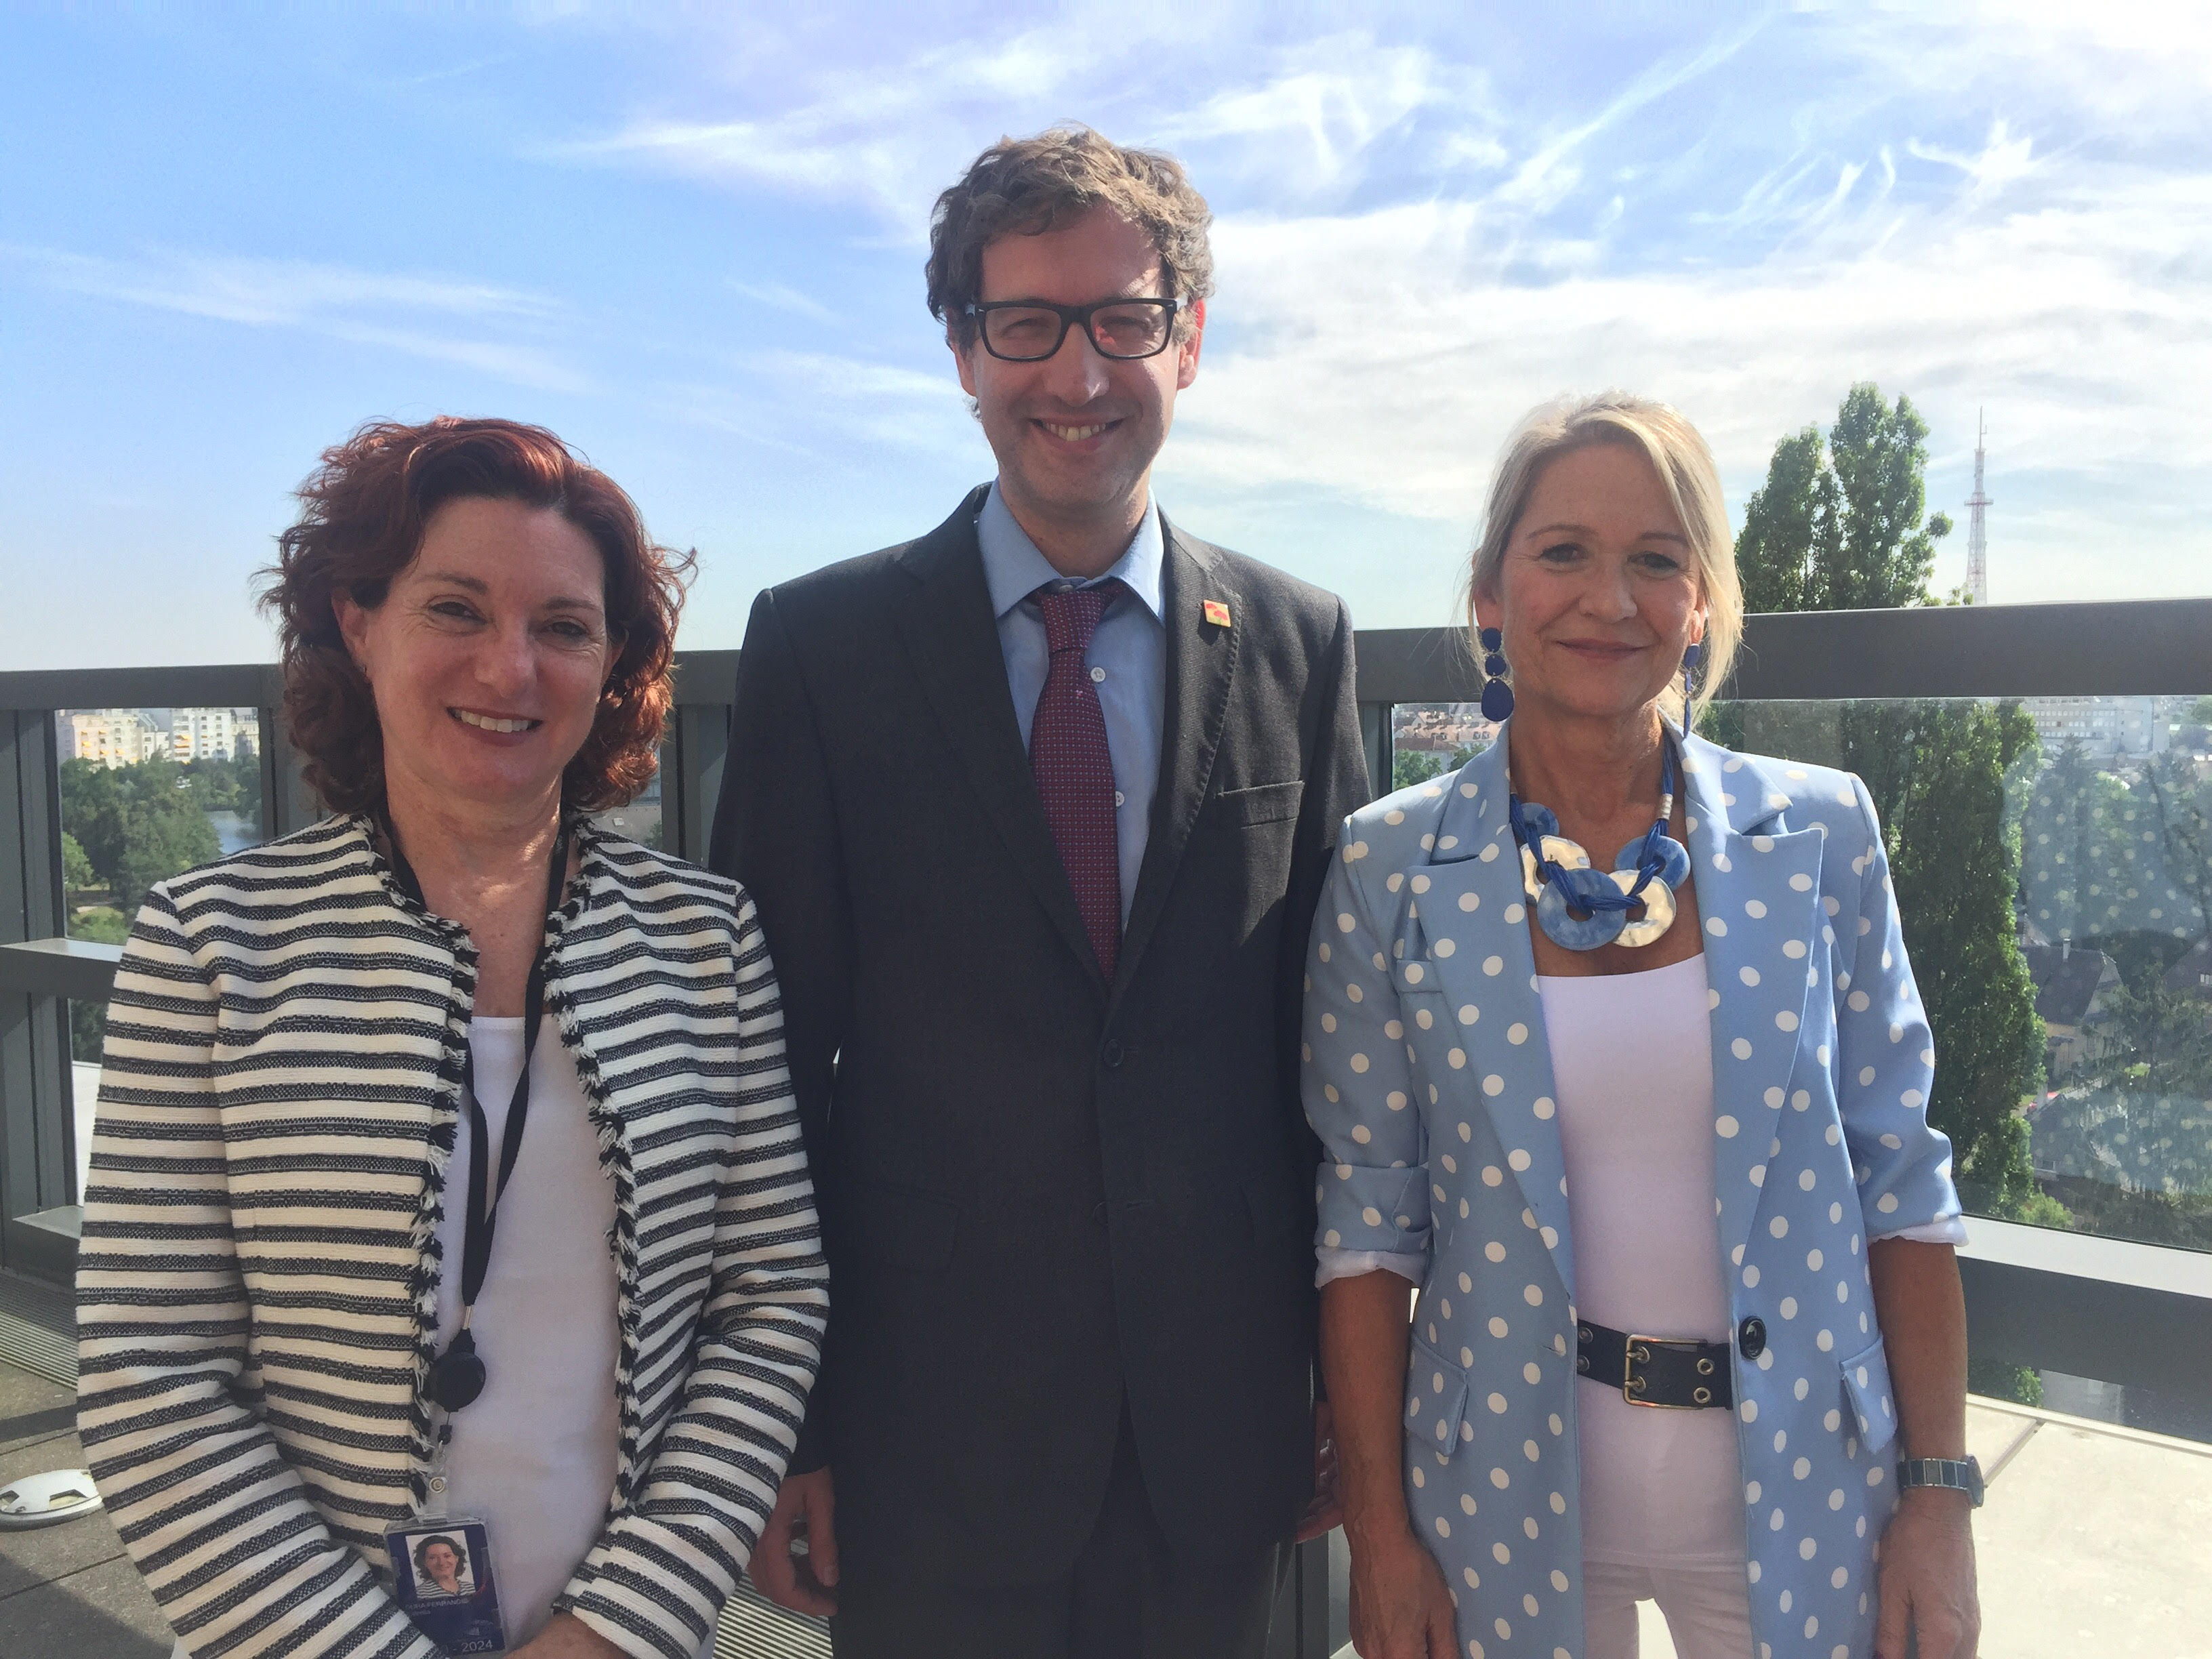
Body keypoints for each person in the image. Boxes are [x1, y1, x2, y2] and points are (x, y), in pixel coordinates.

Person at [711, 125, 1368, 1657]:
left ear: (1186, 343)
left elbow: (1339, 1055)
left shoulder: (1297, 637)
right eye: (1027, 323)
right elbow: (766, 1056)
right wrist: (789, 1419)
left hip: (1219, 1428)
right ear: (961, 350)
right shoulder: (821, 647)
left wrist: (1349, 1374)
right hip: (925, 1432)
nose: (1077, 374)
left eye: (1123, 321)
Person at [76, 417, 830, 1659]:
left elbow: (767, 1300)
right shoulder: (212, 942)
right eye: (456, 608)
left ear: (615, 663)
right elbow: (152, 1372)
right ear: (358, 620)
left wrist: (614, 1629)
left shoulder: (706, 939)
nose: (510, 667)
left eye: (563, 626)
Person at [1305, 393, 1983, 1659]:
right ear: (1489, 593)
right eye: (1560, 551)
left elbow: (1900, 1183)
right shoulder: (1388, 864)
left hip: (1808, 1493)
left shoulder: (1821, 833)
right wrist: (1380, 1537)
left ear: (1702, 603)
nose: (1606, 599)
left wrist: (1937, 1504)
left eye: (1654, 559)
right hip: (1497, 1506)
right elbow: (1365, 1226)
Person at [414, 1535, 472, 1599]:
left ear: (456, 1558)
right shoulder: (419, 1594)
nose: (441, 1563)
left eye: (447, 1556)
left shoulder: (472, 1588)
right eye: (433, 1558)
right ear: (424, 1563)